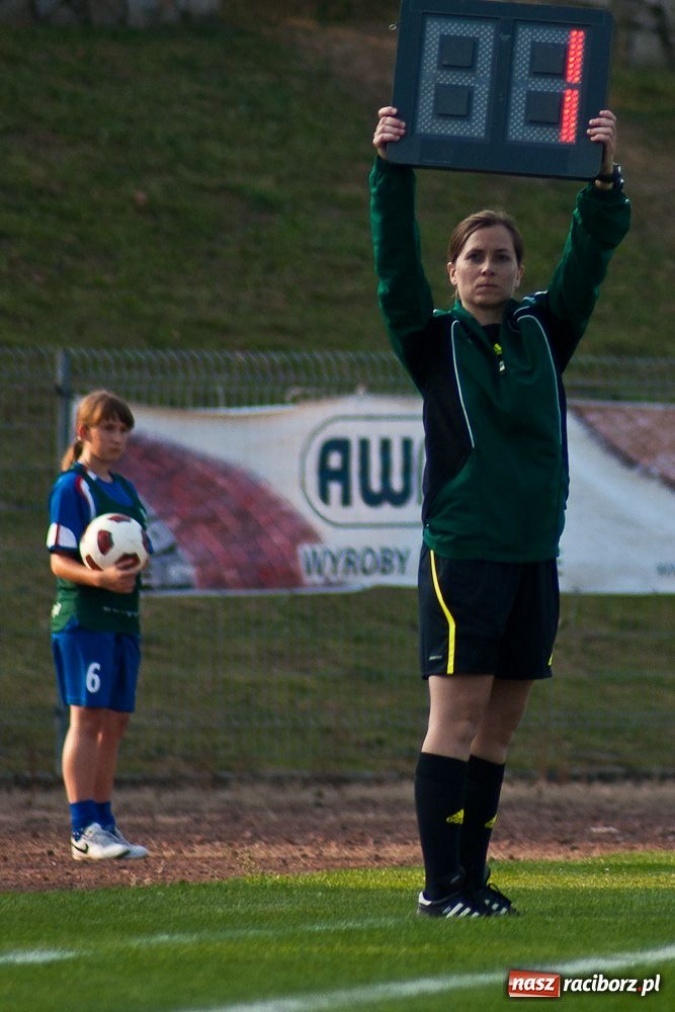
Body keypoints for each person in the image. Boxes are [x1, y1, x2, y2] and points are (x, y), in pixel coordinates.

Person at [370, 107, 630, 917]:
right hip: (464, 553)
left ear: (520, 270)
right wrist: (391, 168)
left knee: (500, 732)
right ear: (452, 271)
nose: (488, 267)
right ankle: (437, 886)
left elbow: (591, 254)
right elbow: (390, 266)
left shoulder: (545, 331)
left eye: (502, 256)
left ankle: (472, 881)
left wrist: (603, 178)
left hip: (531, 553)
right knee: (456, 720)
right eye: (473, 257)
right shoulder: (428, 339)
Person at [47, 390, 151, 861]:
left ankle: (105, 823)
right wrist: (100, 577)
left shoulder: (125, 490)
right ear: (84, 432)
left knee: (115, 722)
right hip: (85, 620)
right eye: (108, 428)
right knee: (86, 719)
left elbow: (139, 547)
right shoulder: (72, 487)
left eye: (123, 429)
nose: (117, 437)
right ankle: (81, 826)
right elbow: (58, 560)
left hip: (123, 621)